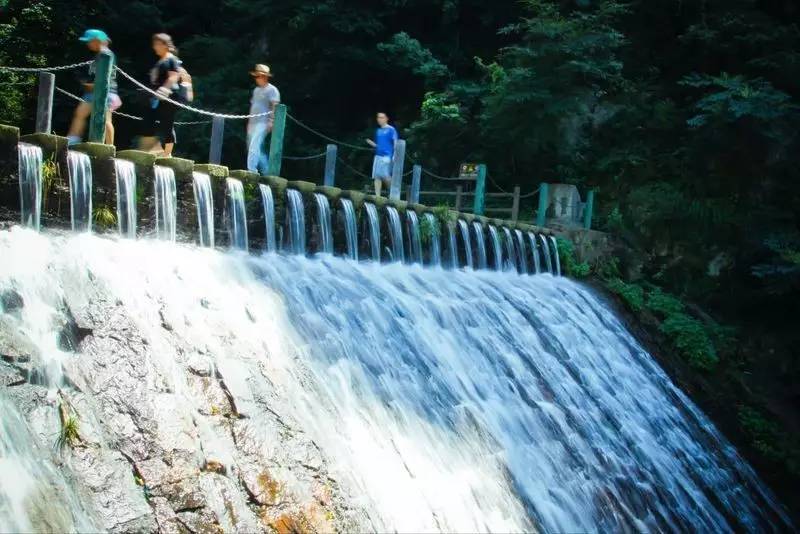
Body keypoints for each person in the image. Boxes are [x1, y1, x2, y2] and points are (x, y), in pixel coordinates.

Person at [67, 29, 121, 145]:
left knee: (106, 120)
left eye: (90, 41)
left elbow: (108, 77)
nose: (88, 44)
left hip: (107, 92)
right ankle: (73, 140)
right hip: (93, 92)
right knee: (80, 113)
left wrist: (93, 85)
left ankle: (110, 146)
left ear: (97, 40)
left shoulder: (106, 54)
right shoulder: (98, 55)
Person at [141, 33, 181, 157]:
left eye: (157, 44)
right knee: (149, 120)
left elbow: (174, 76)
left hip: (168, 96)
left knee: (167, 124)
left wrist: (164, 89)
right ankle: (152, 150)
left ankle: (167, 154)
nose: (155, 47)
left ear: (165, 45)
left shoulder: (171, 59)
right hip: (157, 97)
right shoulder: (160, 61)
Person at [246, 64, 280, 174]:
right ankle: (267, 171)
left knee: (254, 145)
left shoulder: (272, 90)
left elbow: (275, 106)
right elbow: (253, 106)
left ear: (265, 77)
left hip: (263, 122)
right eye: (256, 76)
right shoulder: (256, 90)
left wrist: (271, 121)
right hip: (253, 122)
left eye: (258, 76)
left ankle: (252, 170)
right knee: (253, 147)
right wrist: (249, 123)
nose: (256, 78)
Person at [365, 112, 398, 197]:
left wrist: (394, 155)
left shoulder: (391, 129)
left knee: (385, 176)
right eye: (378, 117)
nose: (380, 119)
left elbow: (395, 142)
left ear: (386, 118)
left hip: (387, 156)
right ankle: (378, 196)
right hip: (378, 156)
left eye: (382, 117)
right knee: (377, 176)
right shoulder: (378, 131)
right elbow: (379, 145)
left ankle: (392, 193)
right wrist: (372, 144)